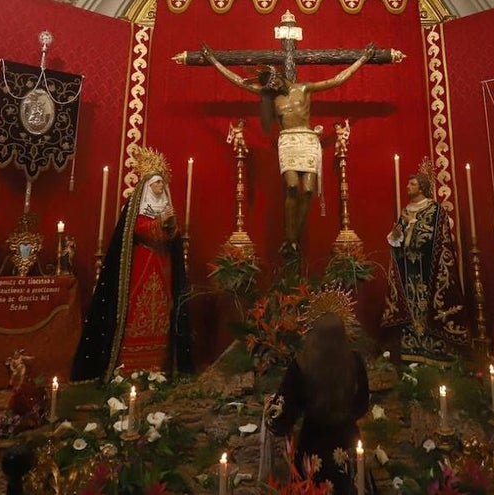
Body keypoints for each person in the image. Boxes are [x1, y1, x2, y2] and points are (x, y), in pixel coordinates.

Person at [202, 43, 375, 268]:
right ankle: (290, 239)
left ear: (280, 76)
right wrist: (215, 61)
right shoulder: (272, 97)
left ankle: (293, 237)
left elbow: (337, 80)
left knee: (309, 190)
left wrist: (361, 60)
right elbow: (238, 81)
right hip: (288, 141)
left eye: (274, 82)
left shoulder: (303, 89)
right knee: (292, 186)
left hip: (307, 139)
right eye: (269, 85)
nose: (272, 87)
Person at [71, 151, 193, 381]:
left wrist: (170, 226)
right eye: (156, 183)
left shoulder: (166, 207)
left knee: (162, 310)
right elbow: (140, 230)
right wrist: (161, 224)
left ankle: (159, 365)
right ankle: (129, 366)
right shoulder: (137, 207)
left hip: (163, 266)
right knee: (137, 307)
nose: (160, 187)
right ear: (147, 186)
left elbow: (171, 239)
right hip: (141, 266)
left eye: (161, 183)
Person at [267, 313, 369, 495]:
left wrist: (271, 413)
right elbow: (362, 405)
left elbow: (281, 415)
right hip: (347, 445)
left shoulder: (301, 365)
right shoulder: (355, 363)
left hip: (312, 448)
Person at [381, 171, 470, 364]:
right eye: (408, 184)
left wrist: (415, 234)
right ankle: (411, 353)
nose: (407, 187)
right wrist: (402, 224)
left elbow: (440, 238)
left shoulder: (435, 210)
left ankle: (436, 354)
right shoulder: (405, 212)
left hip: (429, 270)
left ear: (421, 187)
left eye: (412, 184)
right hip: (409, 271)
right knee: (412, 311)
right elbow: (395, 241)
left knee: (430, 308)